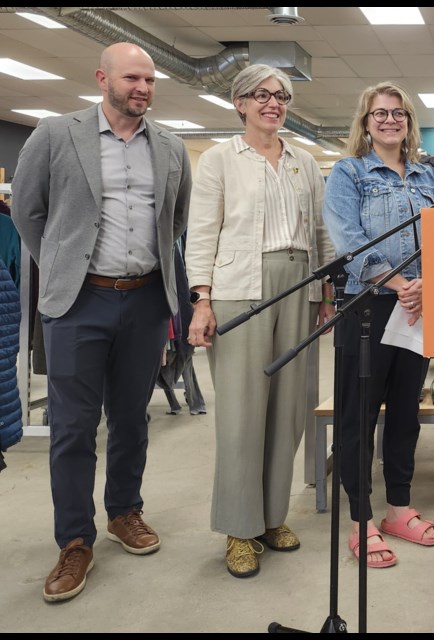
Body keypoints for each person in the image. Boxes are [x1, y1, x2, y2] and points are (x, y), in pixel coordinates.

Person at [11, 42, 191, 602]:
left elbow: (175, 219)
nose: (143, 88)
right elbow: (26, 209)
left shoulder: (170, 146)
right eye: (132, 78)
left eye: (150, 80)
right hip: (79, 303)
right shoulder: (55, 133)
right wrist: (63, 265)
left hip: (144, 302)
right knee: (73, 426)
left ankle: (124, 511)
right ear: (102, 78)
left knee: (133, 416)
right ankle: (73, 540)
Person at [184, 64, 335, 579]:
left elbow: (319, 231)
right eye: (261, 95)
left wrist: (326, 291)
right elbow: (202, 231)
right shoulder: (220, 160)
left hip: (299, 284)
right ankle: (238, 527)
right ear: (240, 103)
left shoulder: (303, 161)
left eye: (282, 96)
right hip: (240, 289)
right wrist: (201, 300)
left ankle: (272, 517)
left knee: (289, 408)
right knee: (244, 411)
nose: (273, 103)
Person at [322, 81, 434, 568]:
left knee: (405, 415)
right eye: (380, 113)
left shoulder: (429, 179)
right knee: (357, 416)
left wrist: (427, 284)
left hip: (418, 310)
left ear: (409, 122)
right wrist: (401, 283)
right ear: (366, 121)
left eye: (398, 113)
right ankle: (360, 519)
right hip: (369, 306)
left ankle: (399, 508)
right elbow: (348, 239)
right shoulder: (348, 173)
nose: (390, 120)